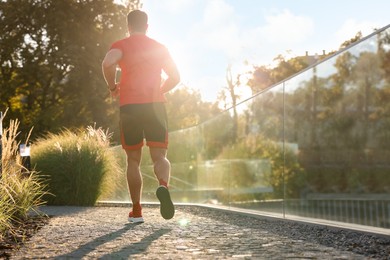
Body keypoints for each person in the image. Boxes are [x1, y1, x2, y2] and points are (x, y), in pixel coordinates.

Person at [102, 10, 180, 223]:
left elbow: (107, 64)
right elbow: (176, 77)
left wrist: (112, 87)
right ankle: (163, 185)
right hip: (155, 105)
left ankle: (136, 211)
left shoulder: (121, 45)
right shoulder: (159, 47)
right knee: (160, 157)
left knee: (133, 160)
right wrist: (160, 90)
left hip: (130, 107)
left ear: (128, 26)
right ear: (147, 26)